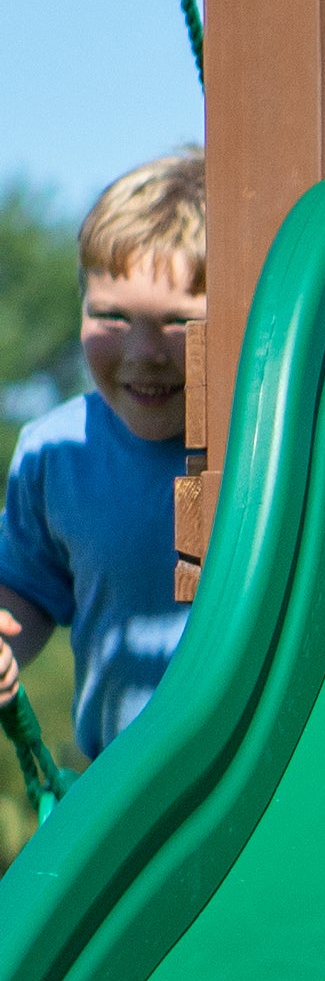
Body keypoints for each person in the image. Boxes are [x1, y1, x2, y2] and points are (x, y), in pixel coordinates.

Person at [0, 151, 207, 761]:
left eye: (178, 322)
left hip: (258, 785)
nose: (143, 353)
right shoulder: (54, 453)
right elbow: (27, 588)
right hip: (118, 788)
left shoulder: (265, 446)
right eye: (111, 315)